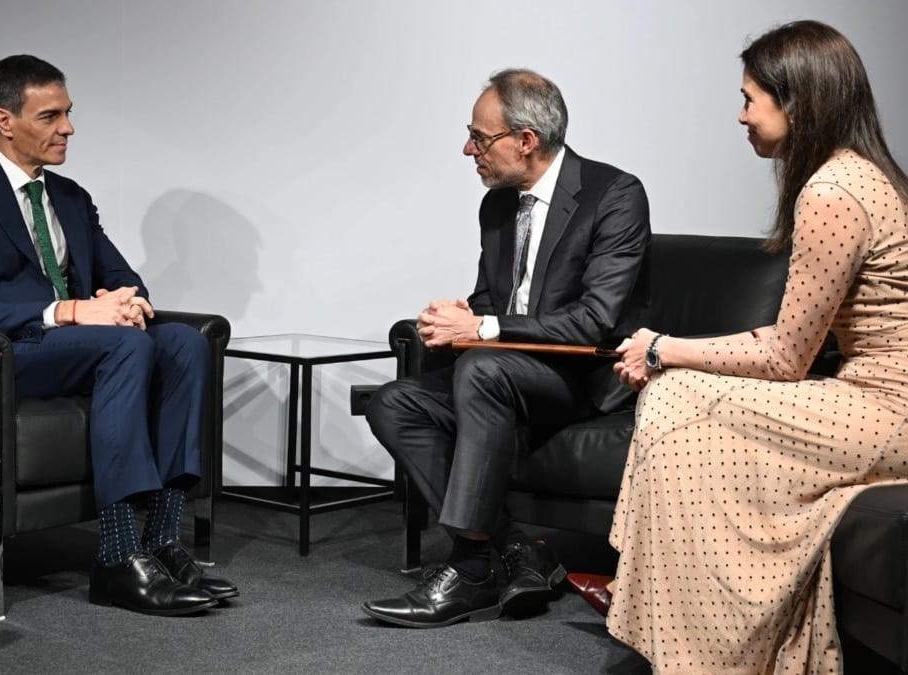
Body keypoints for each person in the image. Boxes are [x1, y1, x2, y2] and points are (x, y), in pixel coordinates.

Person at [571, 19, 908, 674]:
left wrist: (662, 349)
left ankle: (693, 632)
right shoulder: (864, 175)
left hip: (889, 410)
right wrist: (666, 349)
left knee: (675, 398)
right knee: (682, 395)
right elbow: (788, 338)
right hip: (875, 399)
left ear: (798, 103)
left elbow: (785, 358)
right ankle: (671, 600)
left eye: (751, 98)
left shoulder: (835, 190)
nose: (741, 115)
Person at [0, 55, 237, 617]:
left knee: (184, 342)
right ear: (5, 120)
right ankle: (115, 557)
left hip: (85, 347)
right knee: (125, 343)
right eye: (50, 116)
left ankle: (160, 539)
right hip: (7, 352)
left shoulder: (69, 196)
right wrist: (68, 312)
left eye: (68, 113)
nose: (68, 127)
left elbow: (123, 278)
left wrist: (126, 301)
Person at [361, 69, 652, 628]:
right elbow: (491, 301)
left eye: (480, 136)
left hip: (580, 378)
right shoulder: (497, 206)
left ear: (526, 140)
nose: (467, 149)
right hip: (504, 372)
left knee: (485, 366)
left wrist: (485, 330)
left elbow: (594, 322)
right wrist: (455, 321)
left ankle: (470, 569)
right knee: (392, 402)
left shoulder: (614, 196)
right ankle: (518, 550)